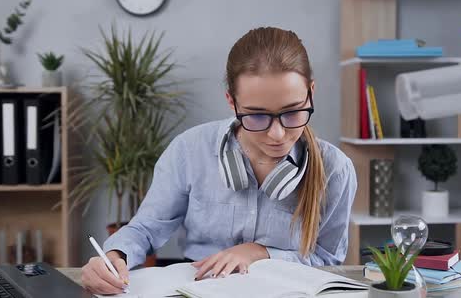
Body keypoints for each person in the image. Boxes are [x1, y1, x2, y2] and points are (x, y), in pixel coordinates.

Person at [81, 27, 357, 294]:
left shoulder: (336, 170)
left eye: (293, 112)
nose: (277, 134)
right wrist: (114, 256)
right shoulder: (189, 151)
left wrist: (259, 253)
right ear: (231, 102)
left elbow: (327, 261)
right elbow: (145, 228)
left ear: (311, 91)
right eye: (257, 116)